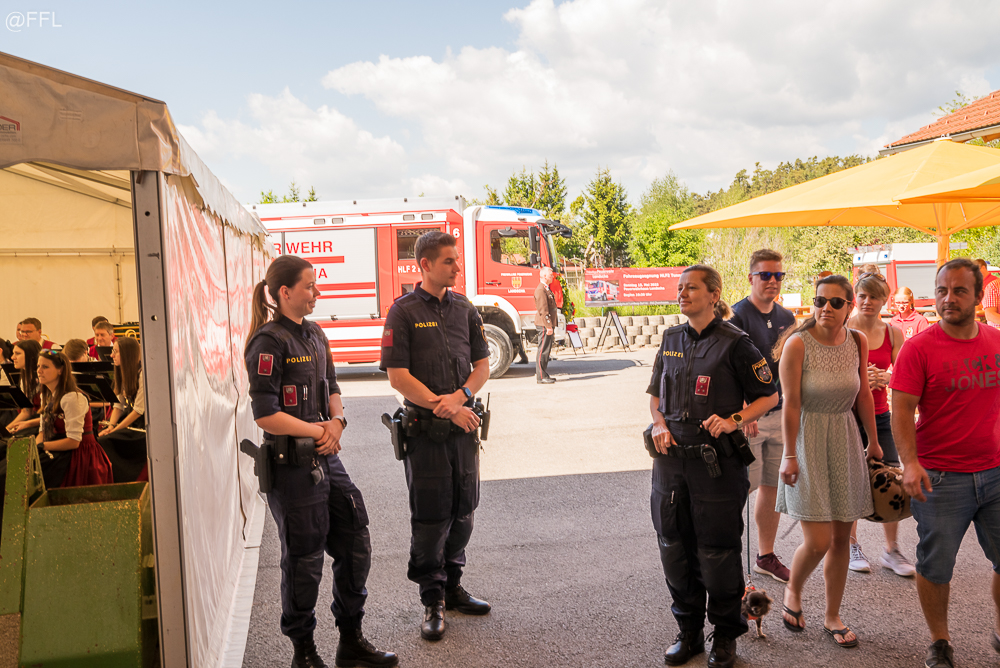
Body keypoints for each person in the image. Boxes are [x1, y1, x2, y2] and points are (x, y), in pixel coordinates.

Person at [244, 255, 397, 668]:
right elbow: (265, 414)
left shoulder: (314, 334)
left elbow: (332, 386)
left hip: (325, 457)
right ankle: (304, 653)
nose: (317, 292)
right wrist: (319, 431)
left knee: (355, 540)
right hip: (292, 467)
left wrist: (338, 422)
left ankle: (351, 642)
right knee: (305, 560)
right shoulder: (267, 342)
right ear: (285, 292)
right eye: (310, 286)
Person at [647, 264, 778, 668]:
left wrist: (734, 419)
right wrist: (658, 423)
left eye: (691, 288)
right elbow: (655, 395)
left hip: (716, 467)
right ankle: (688, 633)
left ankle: (724, 637)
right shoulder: (671, 338)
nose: (682, 294)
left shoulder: (735, 343)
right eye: (680, 288)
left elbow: (769, 395)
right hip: (670, 466)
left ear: (714, 294)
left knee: (718, 554)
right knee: (674, 549)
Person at [380, 231, 491, 642]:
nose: (457, 267)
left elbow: (482, 366)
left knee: (464, 509)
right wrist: (442, 406)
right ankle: (433, 599)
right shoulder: (403, 312)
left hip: (463, 430)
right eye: (448, 261)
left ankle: (453, 587)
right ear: (425, 265)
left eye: (456, 259)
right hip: (426, 435)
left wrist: (461, 398)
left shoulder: (465, 309)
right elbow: (398, 376)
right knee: (431, 517)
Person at [890, 258, 1000, 668]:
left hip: (996, 471)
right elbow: (902, 411)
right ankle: (940, 642)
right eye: (941, 291)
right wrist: (910, 463)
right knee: (935, 565)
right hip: (939, 477)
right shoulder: (918, 348)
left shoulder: (996, 341)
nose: (948, 298)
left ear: (978, 296)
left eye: (959, 291)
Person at [775, 274, 882, 649]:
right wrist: (789, 455)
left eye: (836, 302)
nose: (826, 308)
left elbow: (863, 394)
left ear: (849, 306)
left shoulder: (857, 340)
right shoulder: (797, 344)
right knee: (818, 541)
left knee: (841, 539)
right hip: (807, 440)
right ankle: (793, 589)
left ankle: (832, 615)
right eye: (820, 301)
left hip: (845, 437)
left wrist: (873, 441)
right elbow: (790, 404)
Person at [729, 248, 796, 584]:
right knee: (740, 488)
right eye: (765, 275)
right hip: (750, 418)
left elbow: (792, 366)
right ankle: (726, 560)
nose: (773, 281)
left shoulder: (787, 317)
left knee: (772, 487)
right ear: (751, 277)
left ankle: (765, 556)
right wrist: (745, 409)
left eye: (778, 275)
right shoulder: (736, 316)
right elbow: (728, 367)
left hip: (781, 415)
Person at [845, 272, 914, 576]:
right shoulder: (844, 330)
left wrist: (885, 377)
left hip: (881, 415)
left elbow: (905, 373)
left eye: (874, 296)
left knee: (891, 480)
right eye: (862, 295)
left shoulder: (893, 333)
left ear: (885, 300)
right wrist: (861, 379)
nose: (867, 301)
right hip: (848, 415)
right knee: (851, 481)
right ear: (855, 298)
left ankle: (891, 549)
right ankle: (851, 545)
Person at [97, 338, 148, 484]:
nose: (111, 355)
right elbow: (118, 406)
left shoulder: (143, 374)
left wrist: (114, 430)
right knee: (100, 436)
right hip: (132, 423)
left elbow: (138, 411)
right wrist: (110, 426)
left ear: (127, 354)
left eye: (115, 351)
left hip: (143, 428)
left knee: (106, 441)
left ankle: (122, 480)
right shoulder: (122, 372)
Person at [5, 340, 42, 437]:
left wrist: (7, 430)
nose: (12, 357)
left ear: (31, 356)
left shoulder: (43, 377)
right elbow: (26, 412)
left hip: (40, 424)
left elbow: (50, 417)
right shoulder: (25, 377)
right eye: (13, 353)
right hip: (29, 420)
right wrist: (6, 430)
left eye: (17, 353)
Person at [534, 266, 558, 384]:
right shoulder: (541, 290)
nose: (552, 276)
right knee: (542, 350)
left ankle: (544, 374)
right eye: (550, 275)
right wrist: (548, 325)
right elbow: (543, 310)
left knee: (546, 350)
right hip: (543, 324)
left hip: (546, 324)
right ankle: (541, 377)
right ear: (544, 276)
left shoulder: (545, 289)